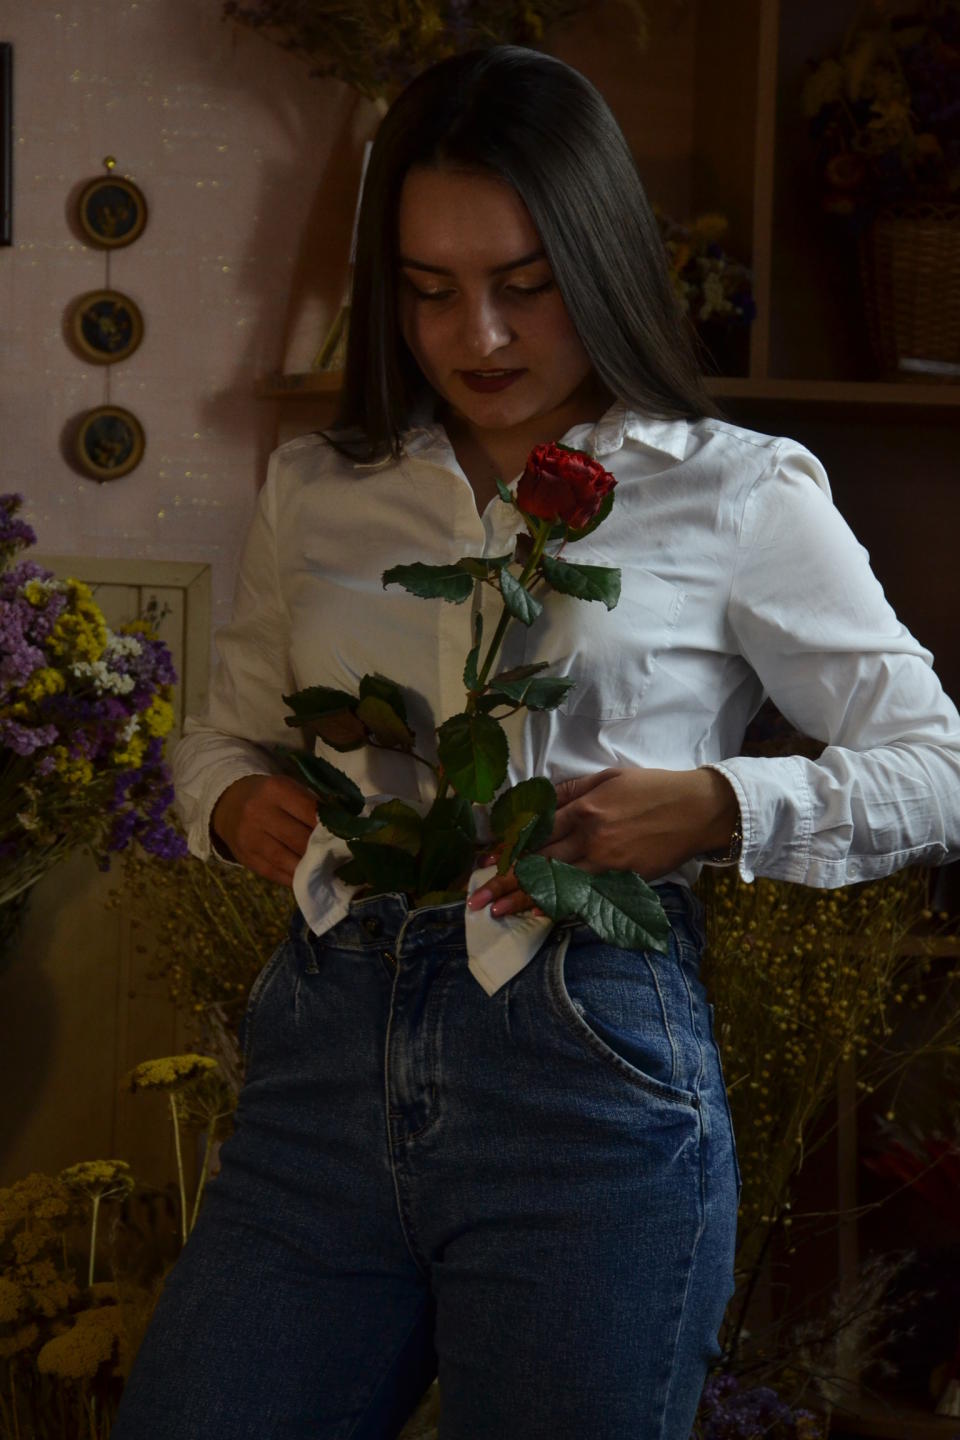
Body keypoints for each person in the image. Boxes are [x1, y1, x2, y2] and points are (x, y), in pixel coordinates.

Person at [112, 43, 960, 1440]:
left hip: (589, 1084)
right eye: (430, 289)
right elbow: (220, 737)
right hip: (320, 1070)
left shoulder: (736, 492)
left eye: (526, 283)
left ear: (602, 260)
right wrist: (227, 803)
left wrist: (717, 803)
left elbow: (935, 766)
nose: (481, 338)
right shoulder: (319, 487)